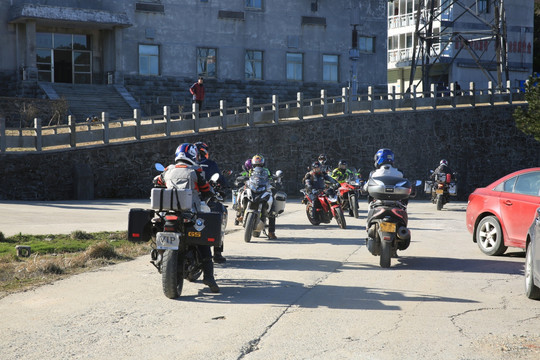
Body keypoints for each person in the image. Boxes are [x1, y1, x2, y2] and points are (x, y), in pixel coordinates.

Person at [153, 143, 220, 293]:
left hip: (168, 212)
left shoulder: (168, 170)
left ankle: (159, 255)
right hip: (190, 212)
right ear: (193, 155)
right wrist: (211, 192)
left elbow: (157, 181)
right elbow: (205, 189)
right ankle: (209, 276)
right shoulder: (196, 170)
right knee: (202, 240)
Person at [195, 141, 228, 264]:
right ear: (204, 152)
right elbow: (221, 180)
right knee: (219, 217)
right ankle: (217, 253)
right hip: (207, 199)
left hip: (190, 200)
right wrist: (224, 186)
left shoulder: (188, 165)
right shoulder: (211, 164)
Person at [250, 154, 278, 240]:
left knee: (272, 206)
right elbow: (248, 177)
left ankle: (271, 232)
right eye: (256, 163)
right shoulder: (251, 170)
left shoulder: (266, 170)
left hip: (264, 188)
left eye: (259, 163)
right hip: (254, 187)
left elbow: (270, 177)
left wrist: (274, 179)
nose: (258, 165)